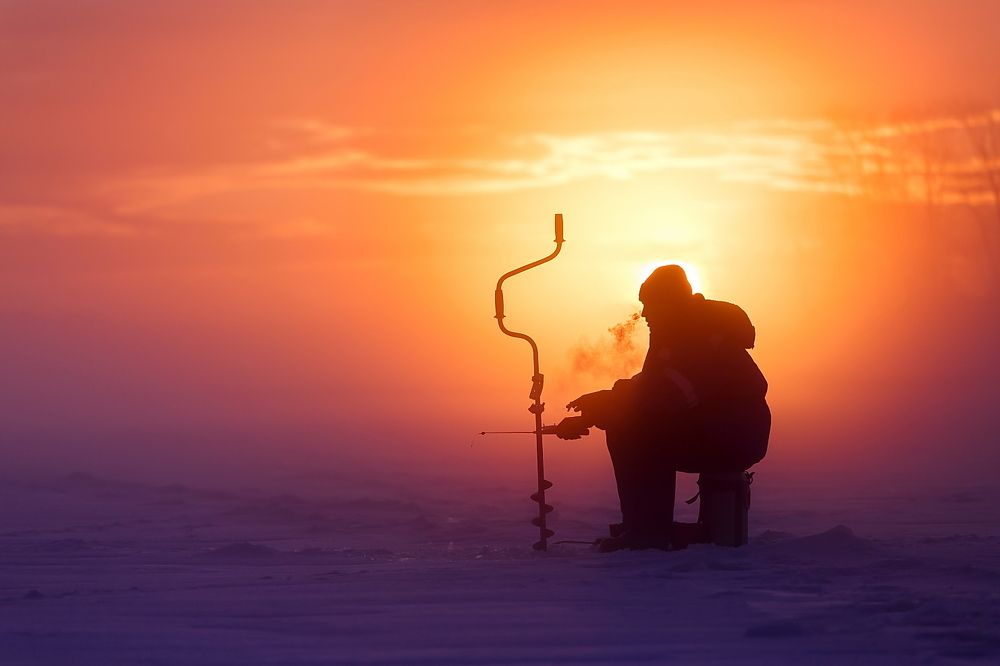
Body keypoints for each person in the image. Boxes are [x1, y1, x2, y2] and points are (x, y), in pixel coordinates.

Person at [554, 265, 770, 551]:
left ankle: (647, 531)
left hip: (733, 437)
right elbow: (653, 385)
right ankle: (643, 525)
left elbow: (666, 399)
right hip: (714, 429)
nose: (644, 314)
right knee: (631, 427)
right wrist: (606, 399)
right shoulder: (683, 333)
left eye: (649, 305)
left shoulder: (703, 339)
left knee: (632, 432)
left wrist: (604, 411)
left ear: (670, 302)